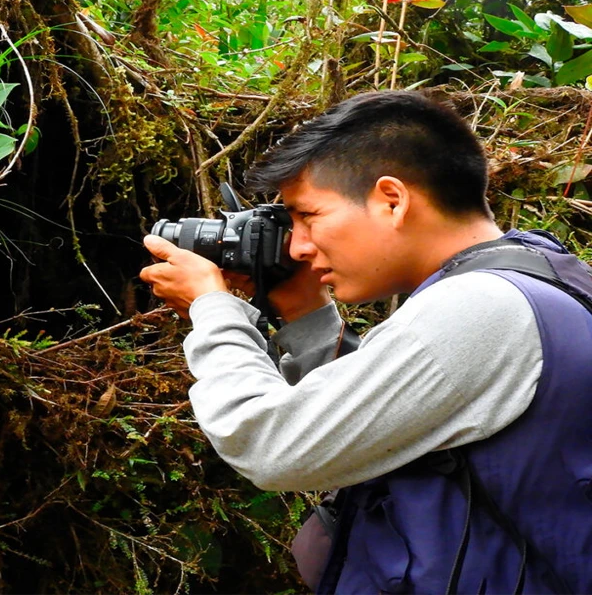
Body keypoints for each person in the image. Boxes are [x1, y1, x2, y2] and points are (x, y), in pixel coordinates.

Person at [139, 91, 592, 594]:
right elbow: (386, 417)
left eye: (309, 216)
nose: (298, 245)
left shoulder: (481, 307)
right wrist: (303, 310)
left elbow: (269, 443)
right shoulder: (533, 276)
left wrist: (211, 306)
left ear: (391, 200)